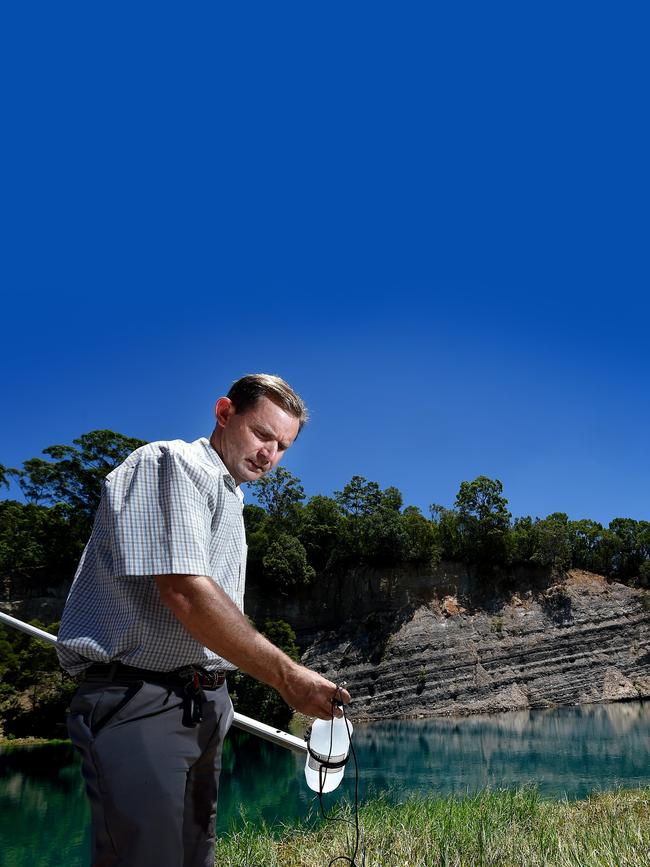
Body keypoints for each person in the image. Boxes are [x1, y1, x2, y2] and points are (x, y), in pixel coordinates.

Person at [57, 373, 350, 867]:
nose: (269, 455)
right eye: (262, 434)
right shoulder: (173, 464)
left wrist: (222, 698)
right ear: (223, 412)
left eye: (282, 446)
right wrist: (286, 676)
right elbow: (185, 592)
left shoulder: (230, 499)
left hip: (205, 702)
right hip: (139, 699)